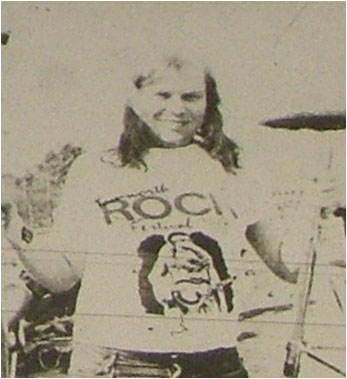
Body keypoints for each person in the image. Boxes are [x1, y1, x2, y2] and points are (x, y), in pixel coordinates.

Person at [4, 57, 315, 377]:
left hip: (216, 364)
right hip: (119, 364)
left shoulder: (232, 166)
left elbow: (288, 265)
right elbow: (62, 275)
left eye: (191, 97)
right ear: (135, 99)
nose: (178, 109)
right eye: (163, 96)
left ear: (209, 102)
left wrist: (323, 212)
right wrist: (13, 225)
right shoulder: (96, 169)